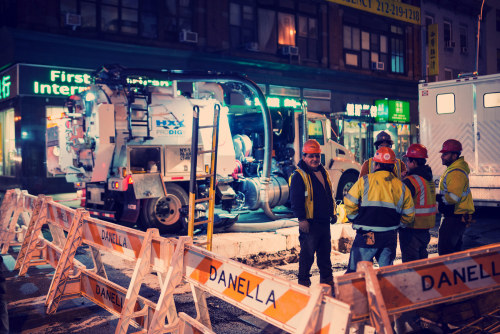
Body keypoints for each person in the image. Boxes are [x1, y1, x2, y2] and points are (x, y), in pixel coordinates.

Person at [344, 147, 414, 273]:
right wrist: (399, 224)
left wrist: (354, 217)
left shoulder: (365, 181)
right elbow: (409, 214)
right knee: (387, 275)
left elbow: (349, 201)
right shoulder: (401, 186)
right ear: (393, 166)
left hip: (367, 234)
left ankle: (358, 293)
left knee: (356, 274)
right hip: (389, 235)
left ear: (376, 164)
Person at [290, 139, 336, 287]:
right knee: (307, 254)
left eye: (317, 156)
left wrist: (332, 213)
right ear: (304, 157)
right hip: (310, 223)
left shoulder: (323, 172)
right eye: (311, 156)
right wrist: (302, 219)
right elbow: (296, 199)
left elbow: (329, 194)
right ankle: (303, 281)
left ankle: (327, 280)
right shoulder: (299, 175)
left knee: (325, 254)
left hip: (324, 221)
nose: (315, 159)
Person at [400, 144, 437, 262]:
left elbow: (400, 201)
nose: (406, 163)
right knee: (422, 262)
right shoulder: (428, 177)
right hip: (425, 228)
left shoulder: (411, 181)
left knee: (410, 264)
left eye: (407, 160)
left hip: (412, 228)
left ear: (414, 162)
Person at [436, 139, 474, 255]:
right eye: (442, 154)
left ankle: (449, 272)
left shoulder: (456, 172)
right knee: (454, 251)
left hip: (455, 216)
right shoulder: (454, 169)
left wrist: (437, 198)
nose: (442, 157)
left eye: (445, 154)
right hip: (458, 215)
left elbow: (453, 198)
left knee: (445, 252)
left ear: (455, 155)